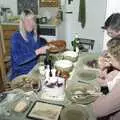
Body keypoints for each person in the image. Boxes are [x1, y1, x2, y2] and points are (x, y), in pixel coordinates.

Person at [10, 9, 48, 80]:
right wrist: (38, 51)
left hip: (34, 69)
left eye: (32, 20)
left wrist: (47, 44)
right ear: (22, 23)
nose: (30, 23)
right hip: (21, 74)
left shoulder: (33, 34)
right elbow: (18, 60)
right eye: (27, 20)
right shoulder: (16, 37)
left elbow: (39, 44)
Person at [92, 37, 120, 120]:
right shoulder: (117, 70)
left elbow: (98, 110)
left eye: (110, 57)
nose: (108, 58)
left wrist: (97, 94)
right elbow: (104, 81)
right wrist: (103, 68)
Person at [98, 13, 120, 85]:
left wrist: (107, 67)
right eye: (107, 32)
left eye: (111, 33)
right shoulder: (116, 40)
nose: (109, 35)